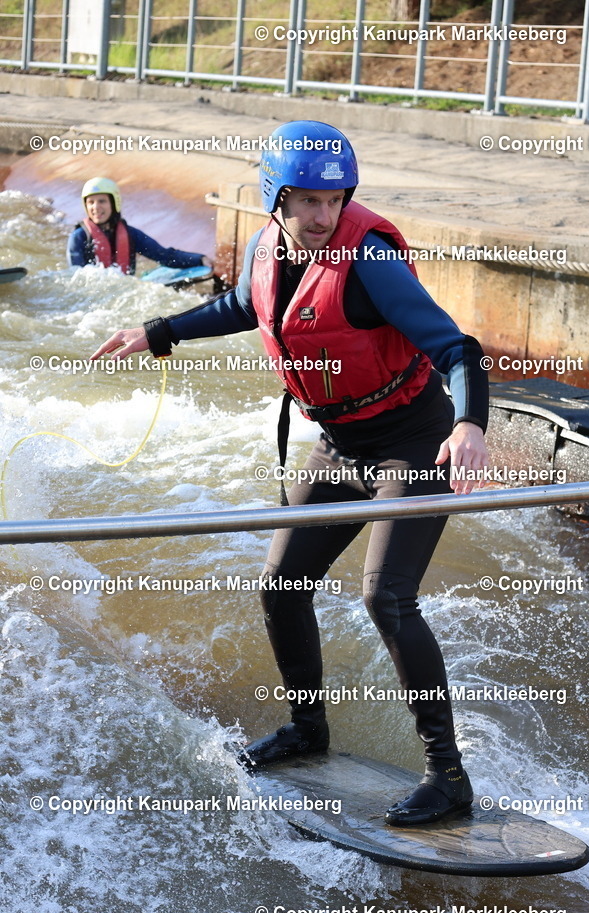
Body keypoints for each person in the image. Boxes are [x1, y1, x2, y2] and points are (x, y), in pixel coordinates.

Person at [91, 121, 489, 828]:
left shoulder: (369, 261)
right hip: (336, 444)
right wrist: (158, 332)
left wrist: (469, 425)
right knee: (281, 587)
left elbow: (457, 347)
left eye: (333, 200)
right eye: (305, 200)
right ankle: (309, 730)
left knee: (386, 599)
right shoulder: (267, 245)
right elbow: (247, 304)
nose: (321, 216)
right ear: (276, 198)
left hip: (410, 442)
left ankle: (447, 775)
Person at [68, 176, 214, 275]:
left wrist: (199, 259)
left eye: (102, 201)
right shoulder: (78, 237)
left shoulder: (131, 235)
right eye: (91, 202)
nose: (96, 207)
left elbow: (164, 256)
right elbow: (77, 277)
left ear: (114, 203)